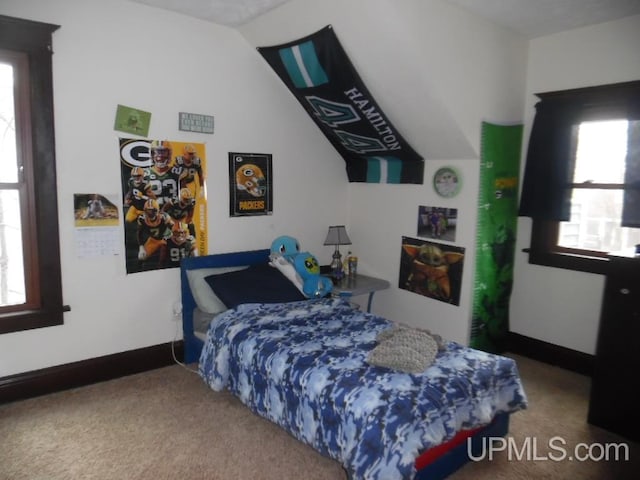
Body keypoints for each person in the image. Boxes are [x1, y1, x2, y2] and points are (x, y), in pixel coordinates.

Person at [136, 198, 174, 267]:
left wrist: (169, 235)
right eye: (148, 211)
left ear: (157, 210)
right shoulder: (142, 219)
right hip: (153, 240)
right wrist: (141, 247)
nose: (150, 214)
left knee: (167, 258)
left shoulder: (164, 217)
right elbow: (139, 233)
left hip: (165, 239)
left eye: (152, 211)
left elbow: (173, 228)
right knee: (141, 258)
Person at [146, 140, 181, 208]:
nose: (160, 155)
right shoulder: (145, 174)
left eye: (163, 152)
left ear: (169, 154)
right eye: (157, 152)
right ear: (152, 154)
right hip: (153, 211)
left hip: (173, 211)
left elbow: (184, 194)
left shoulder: (177, 172)